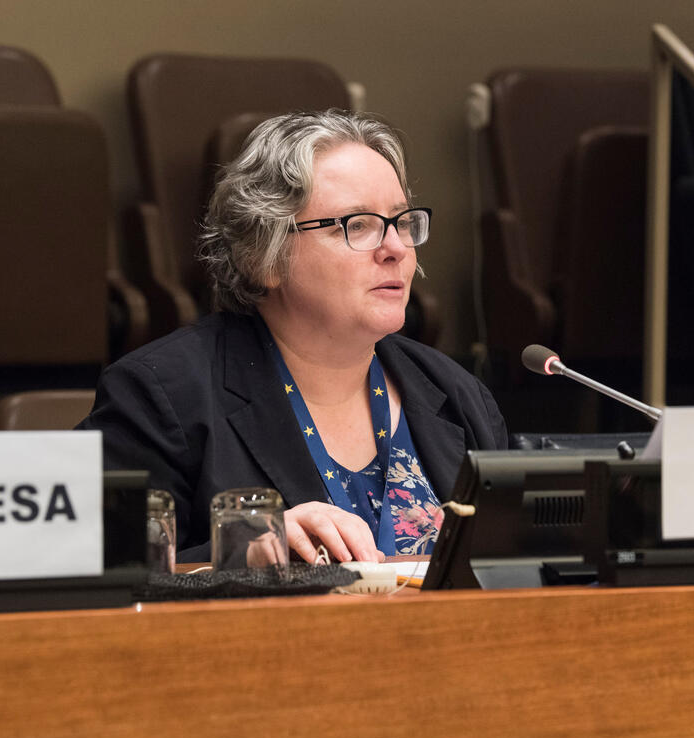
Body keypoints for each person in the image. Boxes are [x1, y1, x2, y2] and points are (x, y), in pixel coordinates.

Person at [80, 110, 507, 562]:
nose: (397, 248)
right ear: (262, 255)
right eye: (357, 224)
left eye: (401, 222)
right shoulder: (162, 396)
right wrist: (242, 553)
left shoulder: (456, 394)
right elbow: (88, 569)